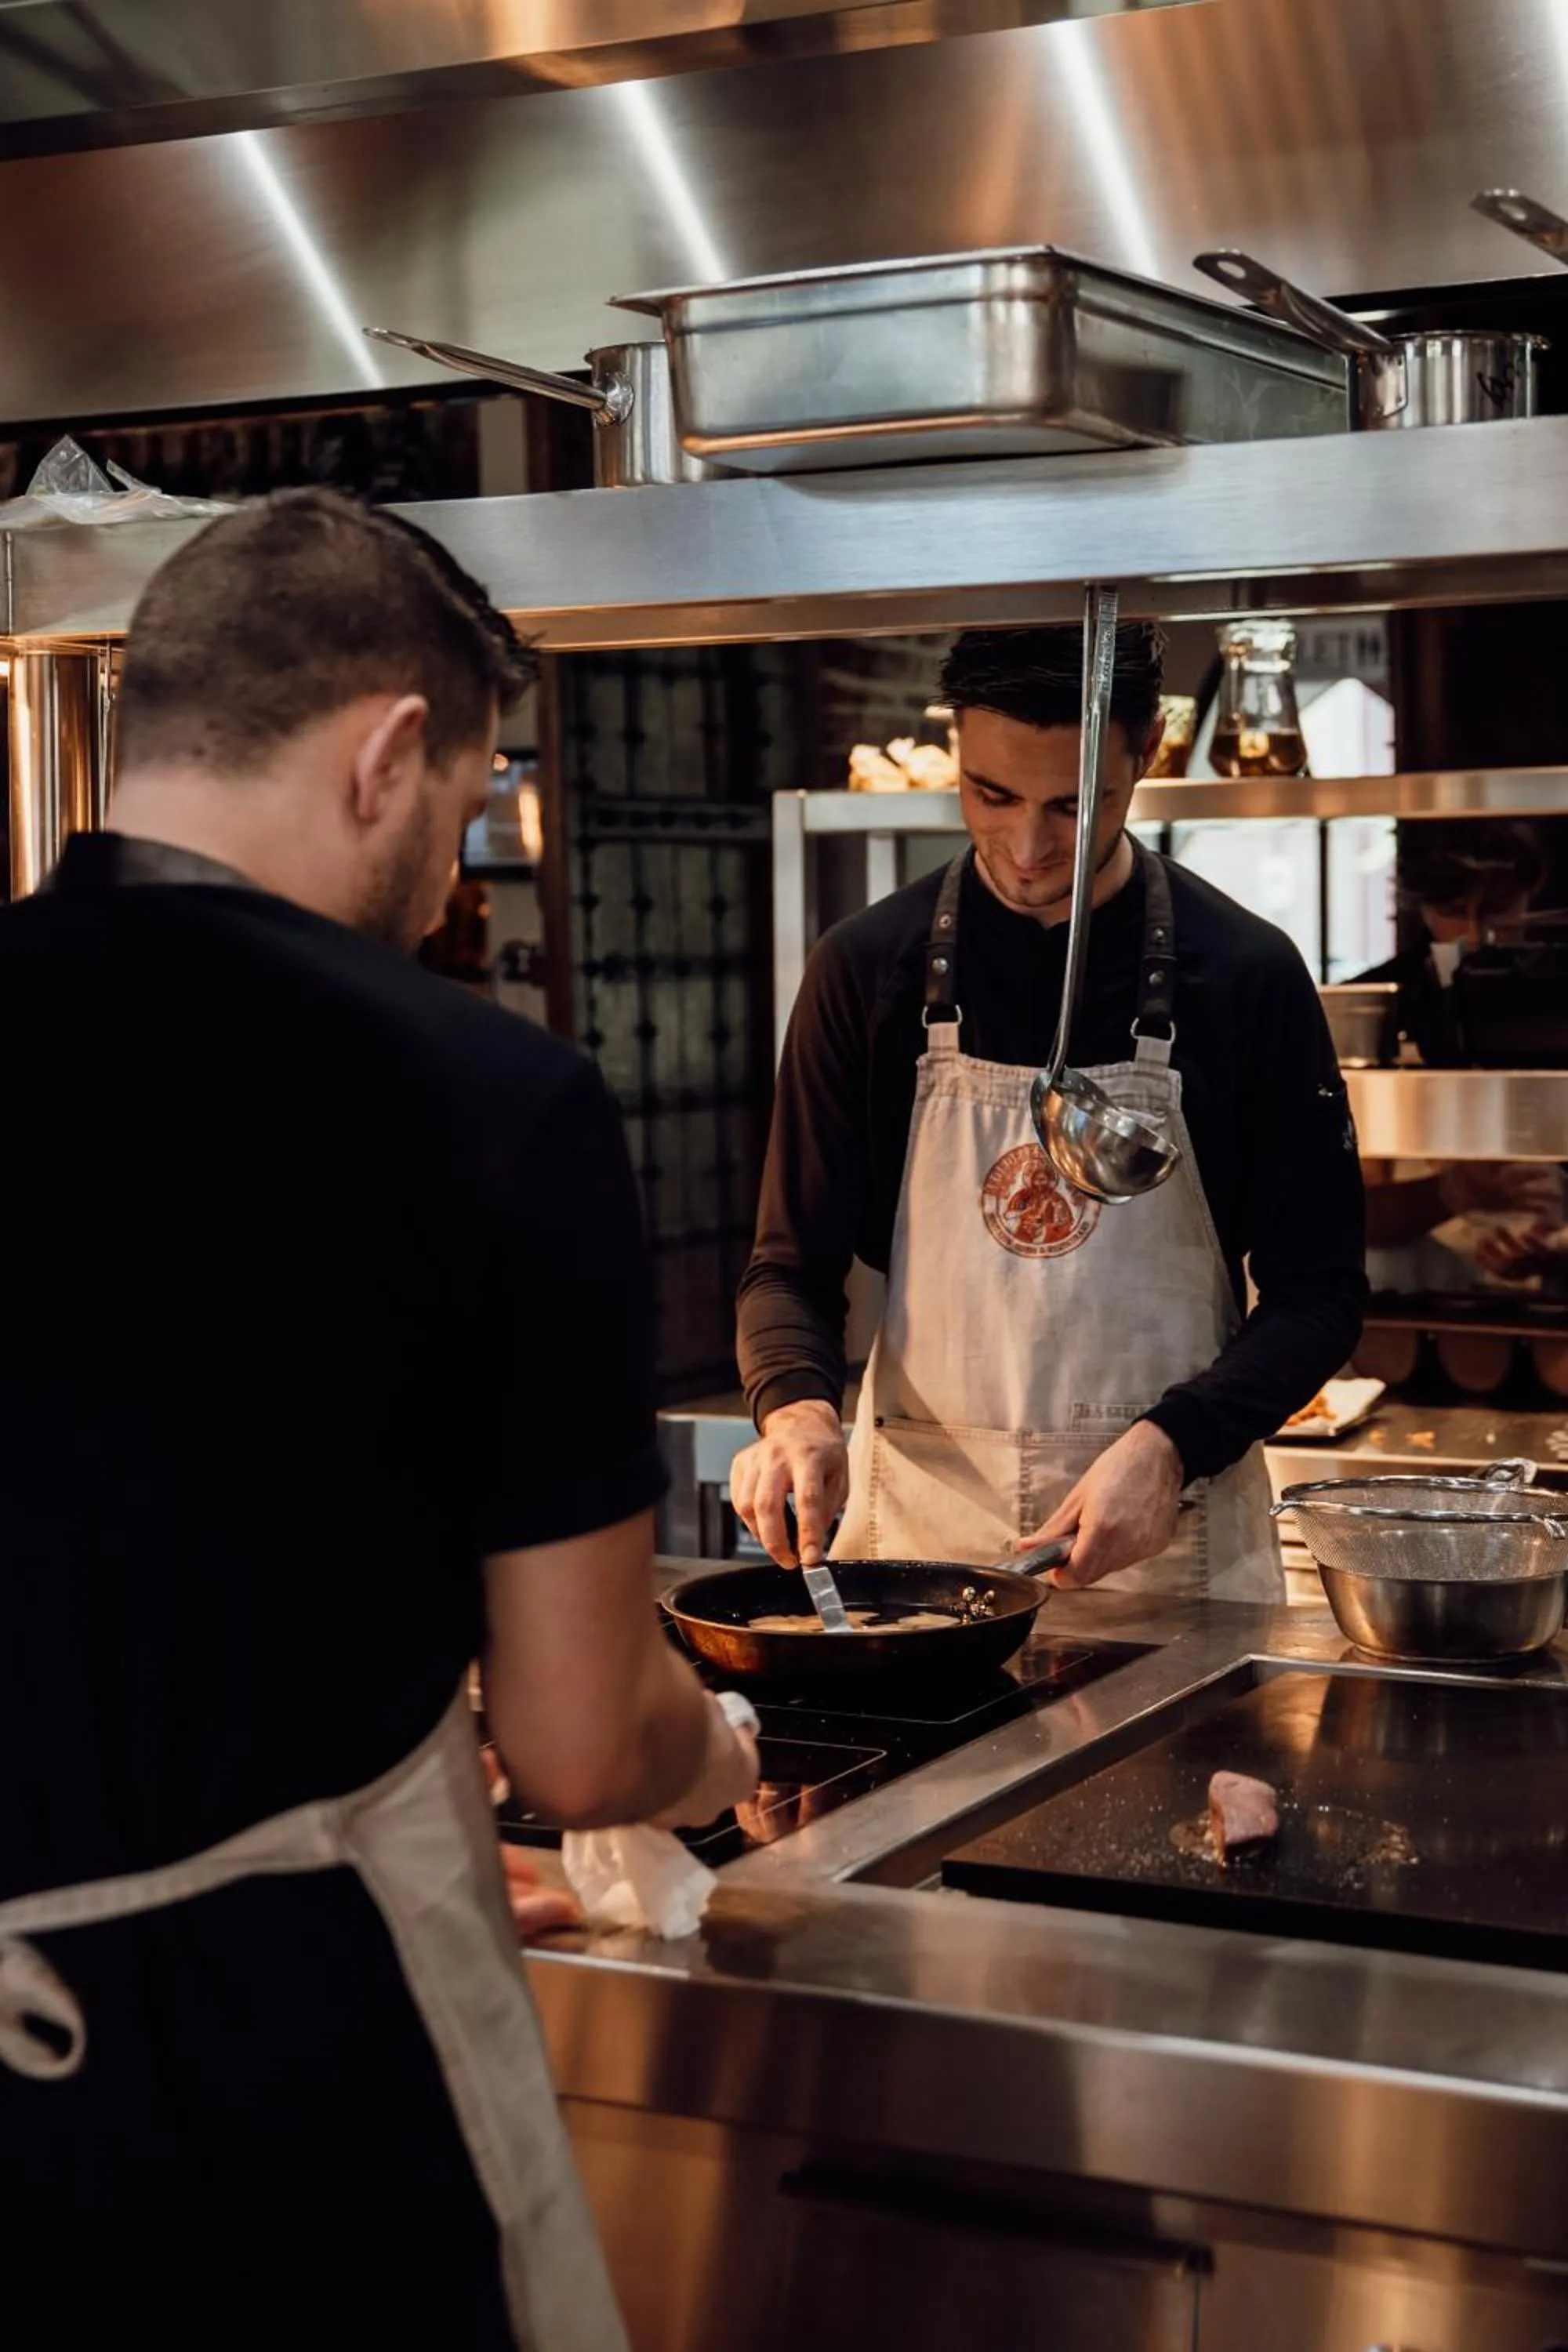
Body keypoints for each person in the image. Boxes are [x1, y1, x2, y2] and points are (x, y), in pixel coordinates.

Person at [0, 489, 756, 2352]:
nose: (450, 872)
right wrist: (715, 1750)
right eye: (473, 798)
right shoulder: (484, 1093)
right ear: (389, 749)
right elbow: (579, 1743)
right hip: (265, 2074)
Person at [732, 623, 1366, 1600]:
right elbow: (786, 1269)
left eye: (1075, 805)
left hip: (1169, 1545)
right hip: (919, 1555)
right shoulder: (862, 970)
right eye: (991, 795)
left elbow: (1318, 1291)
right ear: (955, 747)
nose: (1029, 848)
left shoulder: (1245, 973)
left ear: (1142, 753)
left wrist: (1172, 1444)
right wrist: (796, 1415)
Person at [1358, 821, 1563, 1287]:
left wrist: (1556, 1244)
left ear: (1534, 885)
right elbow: (1345, 1210)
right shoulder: (1378, 1004)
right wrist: (1454, 1191)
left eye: (1496, 910)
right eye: (1453, 911)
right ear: (1423, 908)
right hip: (1410, 1287)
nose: (1475, 934)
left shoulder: (1555, 1000)